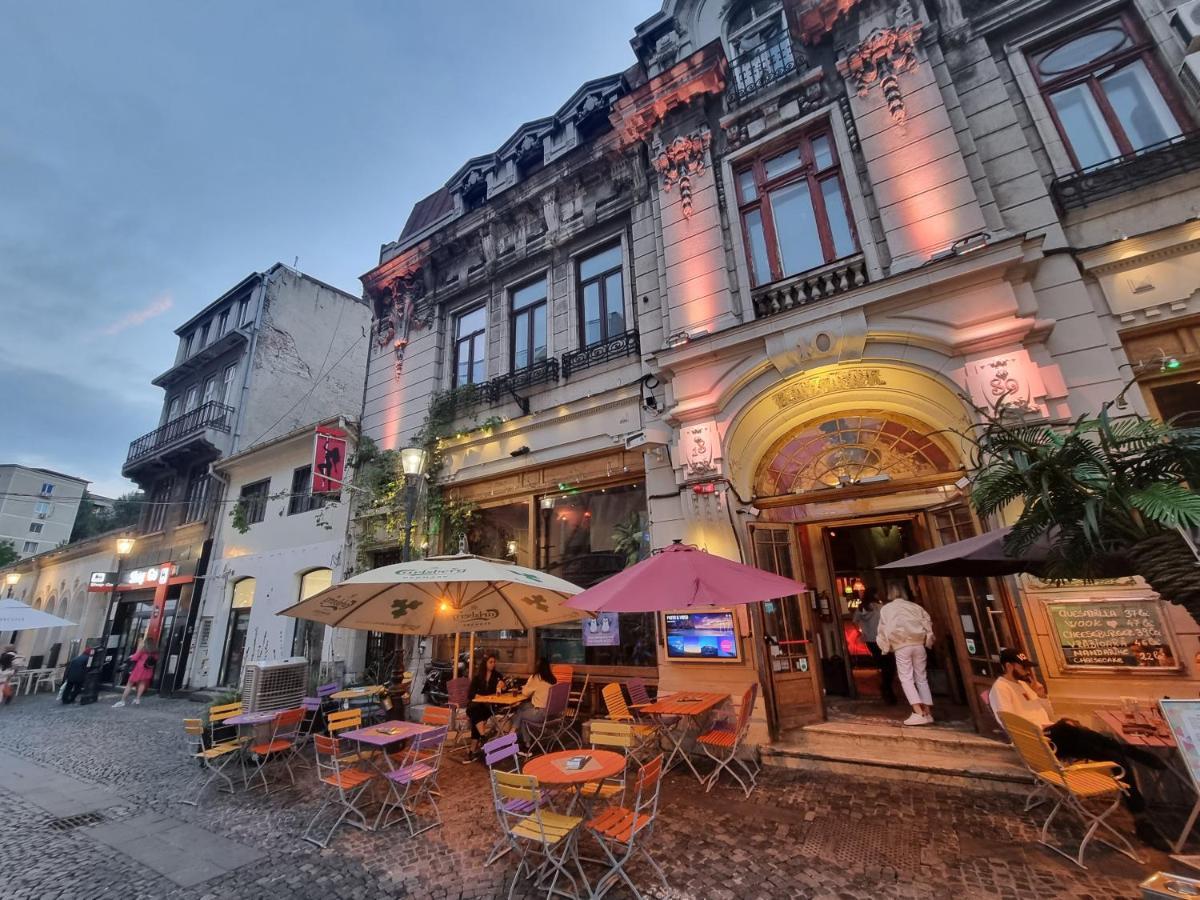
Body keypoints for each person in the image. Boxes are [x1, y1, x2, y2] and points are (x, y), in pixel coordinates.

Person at [989, 648, 1167, 846]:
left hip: (1057, 736)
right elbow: (1009, 722)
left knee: (1114, 758)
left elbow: (1046, 713)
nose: (1027, 671)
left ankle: (1141, 820)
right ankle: (1129, 750)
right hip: (1042, 741)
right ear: (1008, 666)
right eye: (1023, 666)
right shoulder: (1000, 689)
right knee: (1068, 727)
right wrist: (1046, 729)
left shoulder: (1025, 685)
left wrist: (1041, 695)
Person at [876, 583, 934, 726]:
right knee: (921, 677)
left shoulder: (887, 609)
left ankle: (918, 712)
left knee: (906, 678)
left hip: (901, 646)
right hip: (919, 644)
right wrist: (928, 640)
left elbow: (883, 629)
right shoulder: (915, 607)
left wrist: (885, 647)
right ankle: (928, 712)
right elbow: (928, 623)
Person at [853, 588, 896, 705]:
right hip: (882, 639)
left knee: (883, 664)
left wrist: (862, 632)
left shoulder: (861, 608)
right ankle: (886, 688)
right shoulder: (880, 607)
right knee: (890, 665)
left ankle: (886, 689)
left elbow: (855, 621)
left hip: (870, 640)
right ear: (874, 595)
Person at [464, 654, 505, 762]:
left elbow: (504, 690)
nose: (493, 664)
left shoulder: (497, 675)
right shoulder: (477, 677)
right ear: (485, 663)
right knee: (475, 712)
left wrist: (503, 685)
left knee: (475, 717)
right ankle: (482, 737)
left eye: (494, 662)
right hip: (477, 705)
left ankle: (472, 750)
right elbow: (470, 694)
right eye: (490, 662)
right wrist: (481, 697)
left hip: (489, 706)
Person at [512, 657, 556, 746]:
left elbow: (525, 693)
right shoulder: (552, 679)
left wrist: (528, 683)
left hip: (541, 714)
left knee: (520, 715)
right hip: (552, 713)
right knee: (521, 708)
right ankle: (526, 741)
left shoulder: (536, 677)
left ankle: (512, 735)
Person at [113, 641, 158, 707]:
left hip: (139, 669)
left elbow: (134, 658)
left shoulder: (143, 650)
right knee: (142, 684)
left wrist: (135, 653)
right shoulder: (155, 653)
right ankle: (137, 699)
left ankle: (122, 701)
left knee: (129, 684)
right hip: (148, 669)